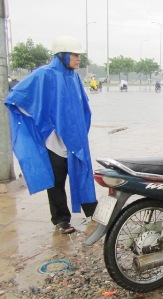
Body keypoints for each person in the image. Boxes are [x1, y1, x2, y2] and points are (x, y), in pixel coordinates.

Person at [4, 35, 97, 235]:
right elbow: (18, 96)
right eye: (74, 55)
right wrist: (43, 121)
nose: (78, 59)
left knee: (83, 173)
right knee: (56, 183)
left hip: (76, 140)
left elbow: (82, 107)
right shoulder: (44, 74)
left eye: (79, 55)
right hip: (54, 142)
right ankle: (61, 220)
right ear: (62, 55)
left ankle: (92, 211)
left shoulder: (74, 77)